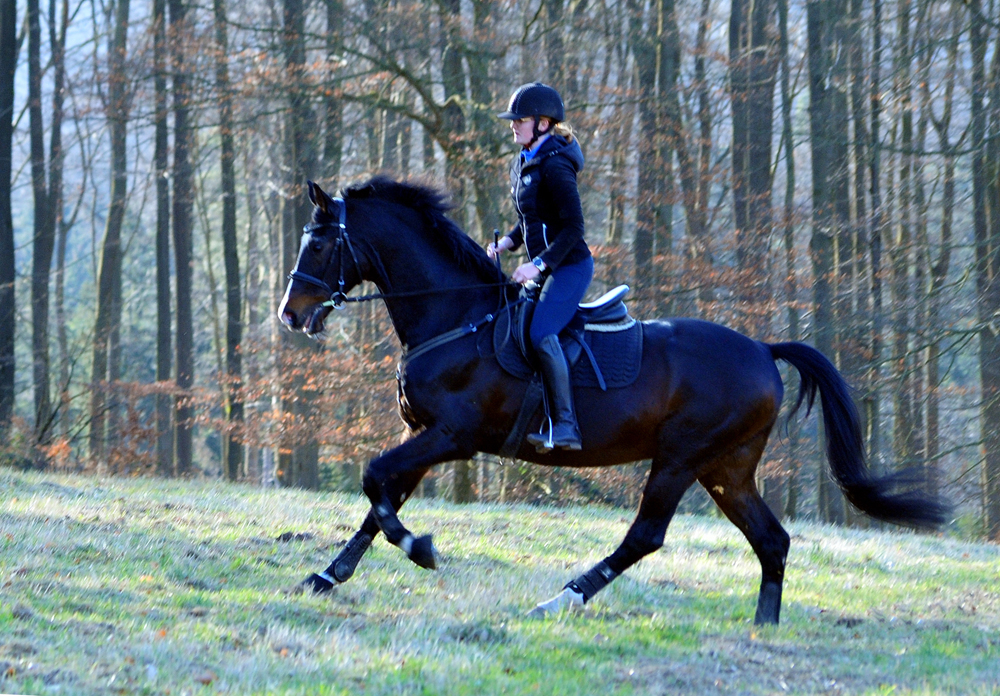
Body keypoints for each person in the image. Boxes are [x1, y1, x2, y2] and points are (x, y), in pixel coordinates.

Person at [488, 82, 593, 453]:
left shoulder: (556, 166)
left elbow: (574, 229)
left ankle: (566, 426)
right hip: (546, 267)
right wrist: (509, 243)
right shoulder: (525, 159)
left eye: (520, 120)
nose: (513, 125)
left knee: (541, 332)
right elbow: (532, 217)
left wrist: (537, 264)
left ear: (544, 123)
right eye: (513, 119)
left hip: (570, 266)